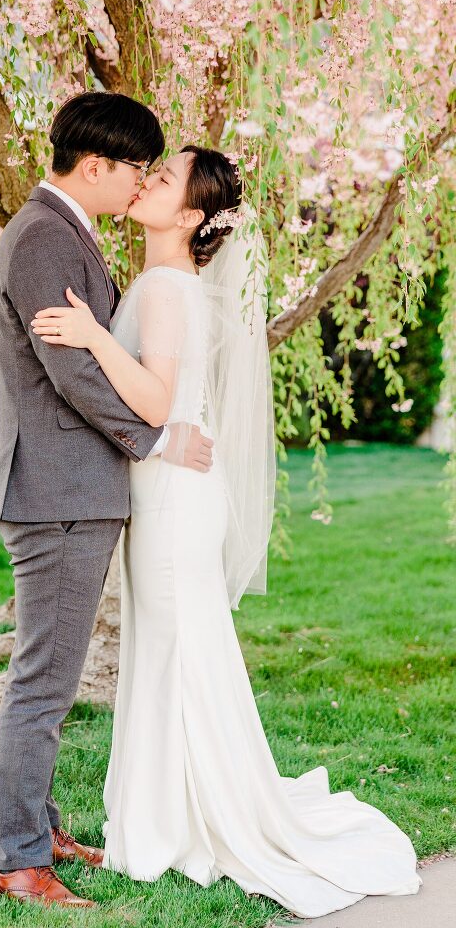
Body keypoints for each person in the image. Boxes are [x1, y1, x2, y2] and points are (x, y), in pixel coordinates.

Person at [31, 145, 422, 918]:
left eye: (165, 179)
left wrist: (92, 334)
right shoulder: (164, 282)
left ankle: (200, 822)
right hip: (170, 486)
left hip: (176, 495)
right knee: (165, 649)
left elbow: (154, 401)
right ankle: (160, 820)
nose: (147, 181)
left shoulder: (171, 288)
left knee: (183, 652)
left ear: (189, 216)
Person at [0, 92, 215, 908]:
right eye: (136, 170)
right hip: (57, 492)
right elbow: (72, 370)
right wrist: (156, 440)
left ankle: (38, 830)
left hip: (69, 487)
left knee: (49, 674)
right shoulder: (46, 235)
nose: (141, 183)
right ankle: (14, 857)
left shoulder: (57, 230)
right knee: (44, 682)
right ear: (96, 167)